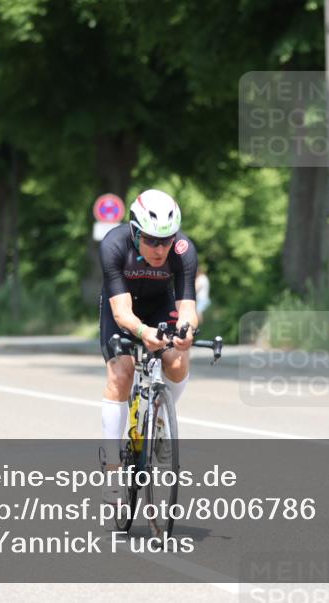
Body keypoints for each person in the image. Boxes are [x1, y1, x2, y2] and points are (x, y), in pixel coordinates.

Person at [98, 189, 198, 504]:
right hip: (123, 308)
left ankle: (162, 420)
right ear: (135, 231)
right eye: (152, 240)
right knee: (122, 373)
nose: (160, 249)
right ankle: (112, 467)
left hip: (159, 306)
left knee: (178, 360)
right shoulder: (114, 245)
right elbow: (121, 312)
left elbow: (187, 307)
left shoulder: (183, 251)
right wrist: (143, 332)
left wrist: (187, 331)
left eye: (166, 240)